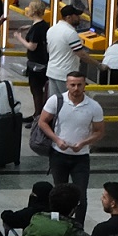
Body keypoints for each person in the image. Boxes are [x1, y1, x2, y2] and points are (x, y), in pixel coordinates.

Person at [37, 69, 106, 204]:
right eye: (73, 85)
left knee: (80, 196)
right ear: (67, 85)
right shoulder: (56, 101)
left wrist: (83, 143)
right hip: (58, 154)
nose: (76, 88)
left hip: (81, 158)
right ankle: (60, 222)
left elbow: (99, 131)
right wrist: (57, 139)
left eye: (79, 85)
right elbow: (42, 122)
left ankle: (78, 223)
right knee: (59, 193)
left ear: (85, 85)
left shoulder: (94, 106)